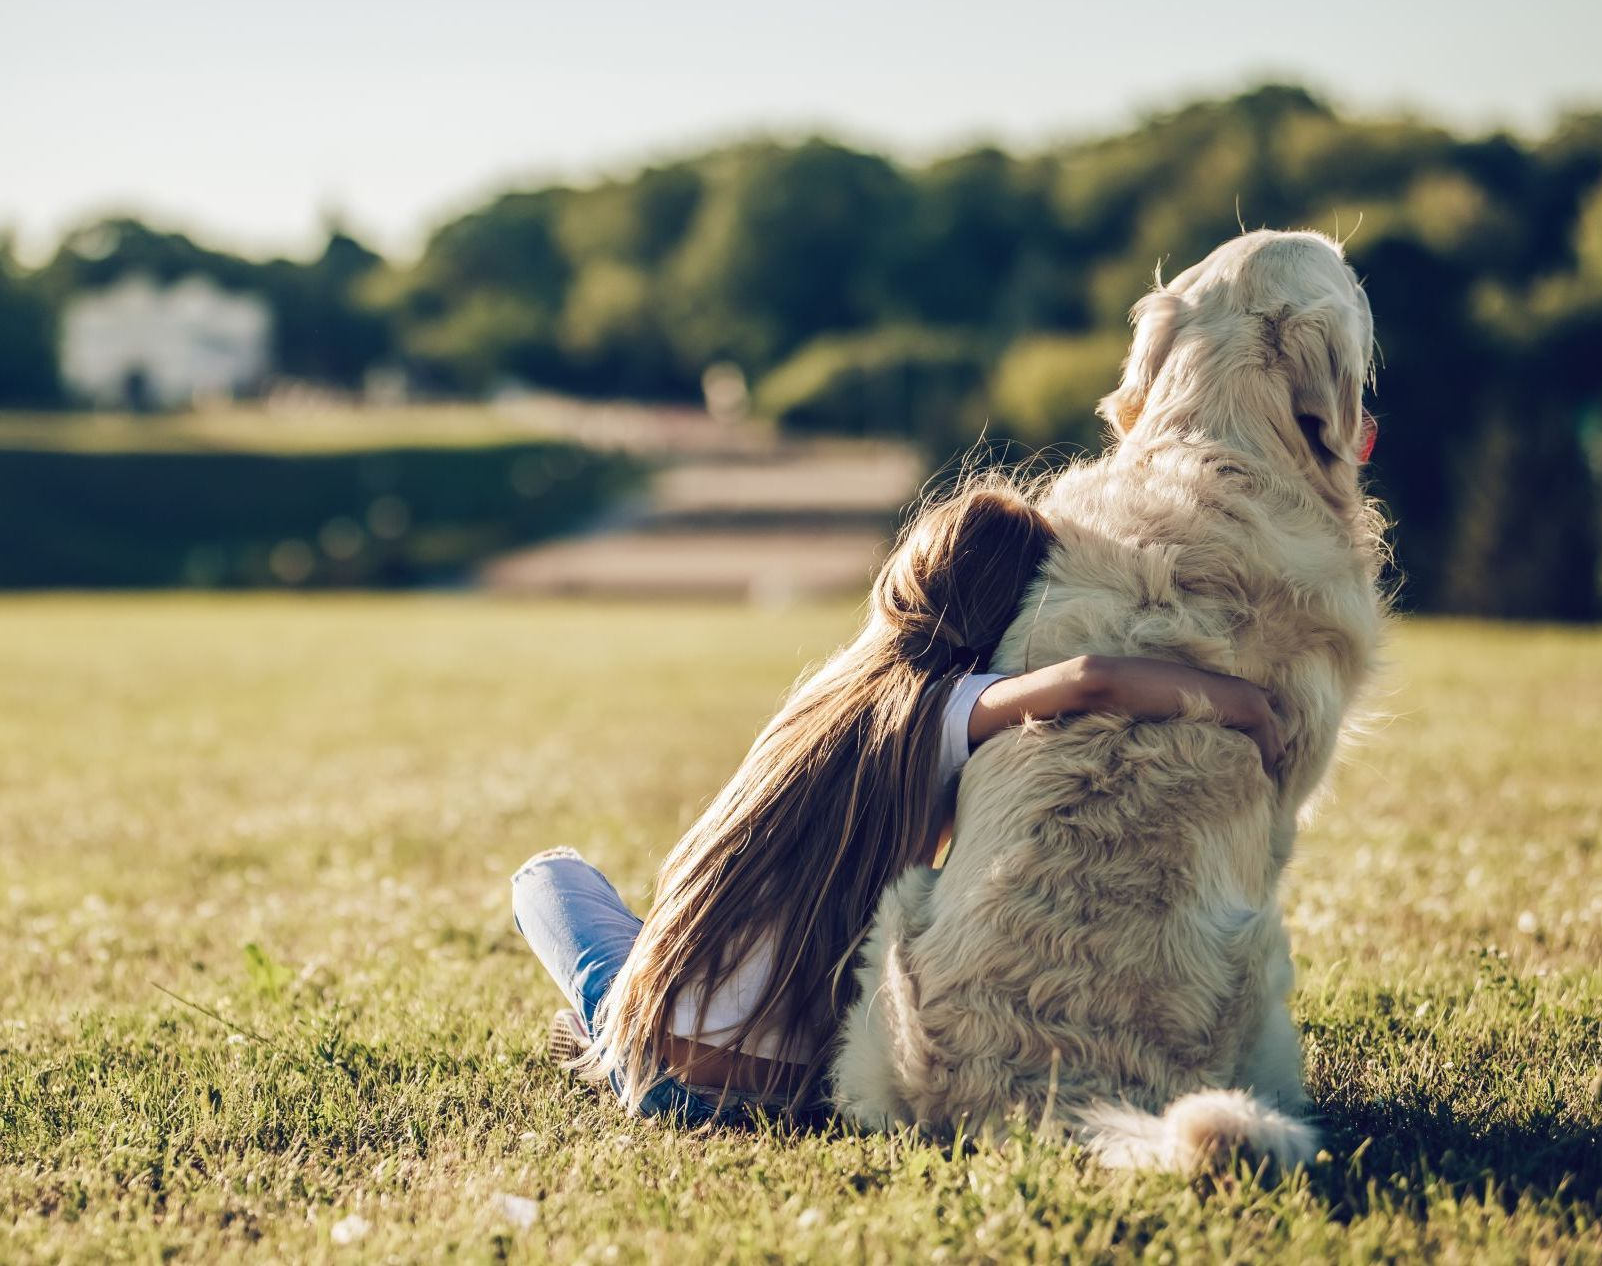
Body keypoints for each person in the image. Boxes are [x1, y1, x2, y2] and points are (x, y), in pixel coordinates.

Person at [511, 482, 1284, 1124]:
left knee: (548, 879)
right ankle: (605, 1027)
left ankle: (603, 1032)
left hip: (665, 1078)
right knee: (664, 958)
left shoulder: (827, 699)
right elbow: (1089, 678)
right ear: (1010, 611)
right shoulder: (950, 710)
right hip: (800, 1092)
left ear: (906, 573)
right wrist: (1246, 705)